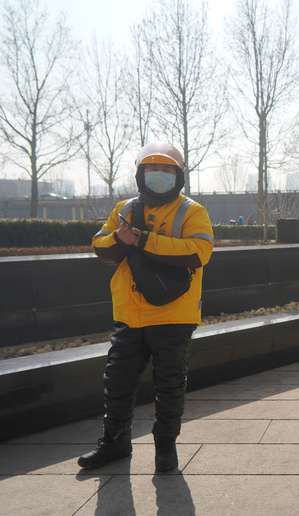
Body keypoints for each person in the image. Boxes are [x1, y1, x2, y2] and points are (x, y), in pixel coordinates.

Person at [79, 143, 214, 473]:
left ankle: (165, 448)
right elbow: (100, 244)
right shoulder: (124, 207)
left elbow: (199, 252)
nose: (160, 176)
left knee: (169, 384)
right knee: (118, 382)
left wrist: (141, 239)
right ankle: (115, 443)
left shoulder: (191, 211)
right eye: (153, 170)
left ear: (179, 176)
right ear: (140, 174)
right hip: (129, 314)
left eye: (168, 171)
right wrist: (119, 239)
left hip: (174, 314)